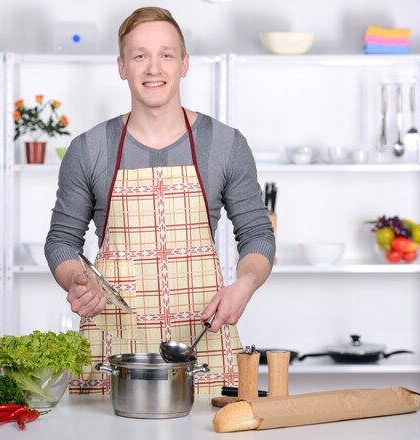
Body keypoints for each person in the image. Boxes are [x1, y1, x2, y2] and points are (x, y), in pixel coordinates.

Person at [45, 6, 275, 394]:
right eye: (140, 56)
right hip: (112, 350)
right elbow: (61, 241)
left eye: (166, 54)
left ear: (184, 64)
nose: (154, 68)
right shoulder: (89, 149)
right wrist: (77, 281)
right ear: (122, 66)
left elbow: (256, 235)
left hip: (201, 342)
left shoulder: (225, 145)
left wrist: (246, 283)